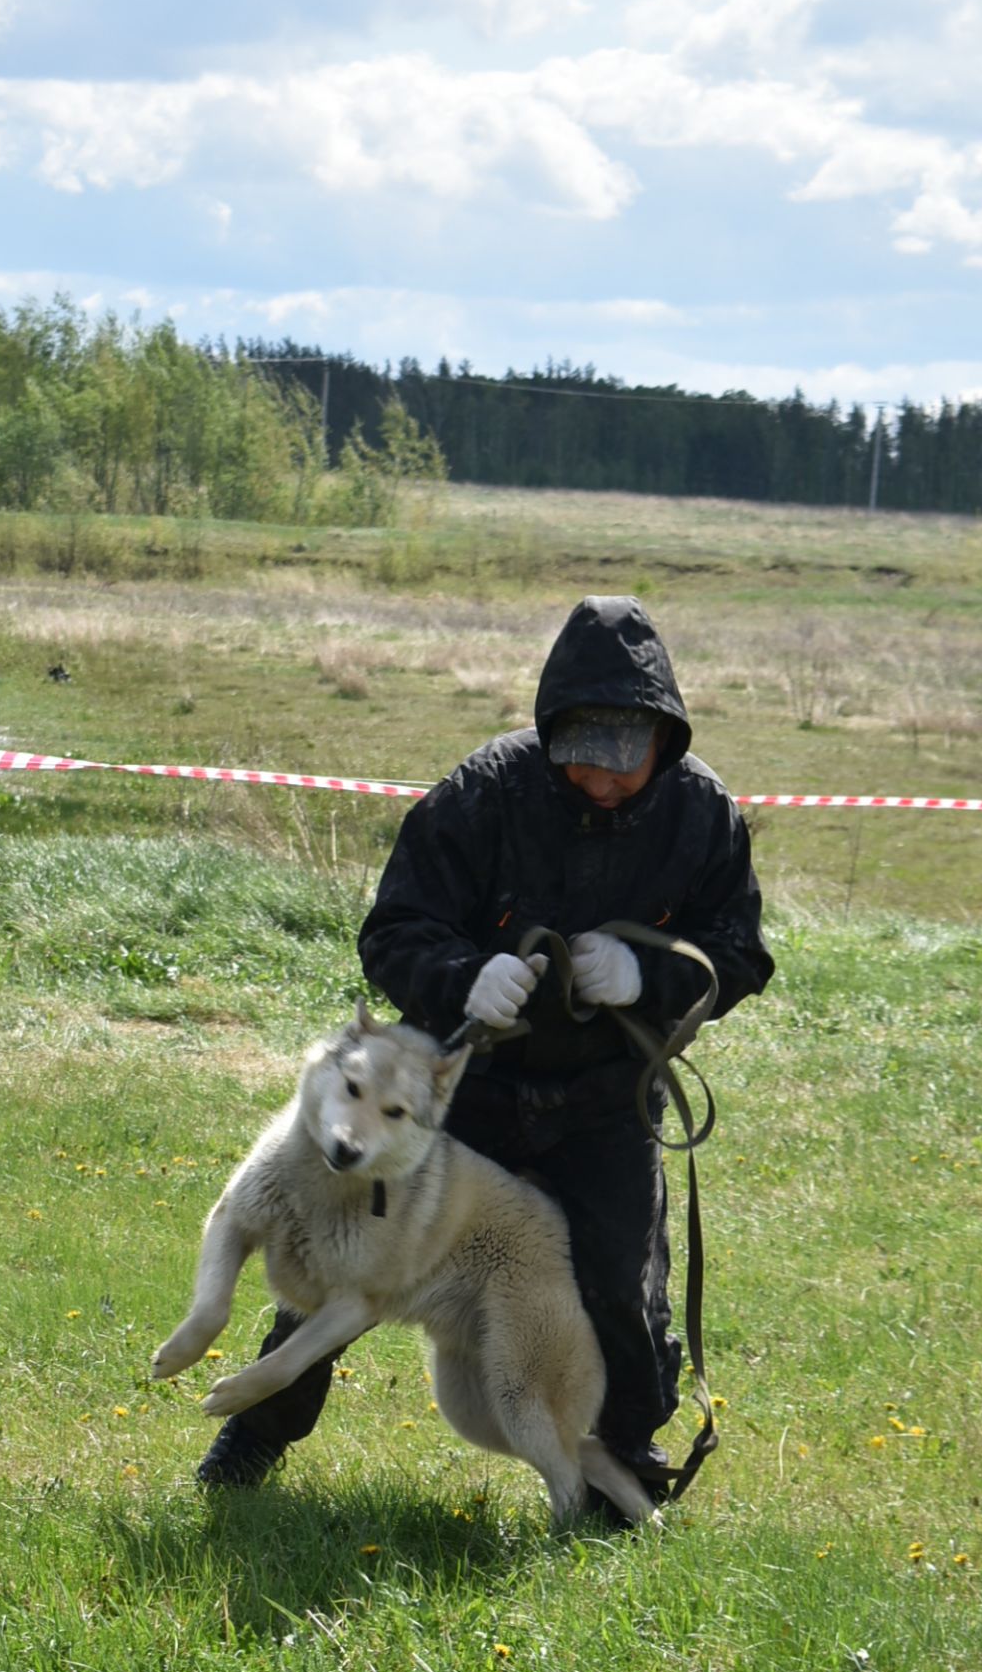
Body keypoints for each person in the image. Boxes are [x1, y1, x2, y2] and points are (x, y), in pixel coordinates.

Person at [197, 595, 774, 1506]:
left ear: (665, 736)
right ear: (550, 734)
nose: (604, 781)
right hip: (474, 1096)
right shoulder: (484, 792)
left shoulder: (703, 814)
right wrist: (462, 977)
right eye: (582, 758)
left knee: (620, 1281)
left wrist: (650, 977)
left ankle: (623, 1458)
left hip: (606, 1100)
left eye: (626, 760)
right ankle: (255, 1437)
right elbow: (393, 931)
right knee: (347, 1255)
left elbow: (739, 953)